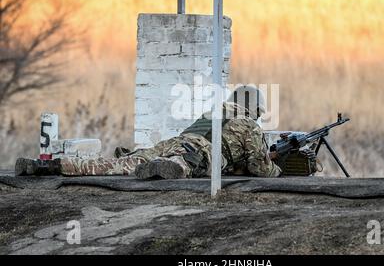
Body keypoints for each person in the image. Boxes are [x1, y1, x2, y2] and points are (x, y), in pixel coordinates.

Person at [15, 86, 281, 179]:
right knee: (180, 166)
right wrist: (279, 165)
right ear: (254, 108)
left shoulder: (215, 111)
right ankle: (164, 167)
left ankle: (50, 166)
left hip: (176, 141)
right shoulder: (249, 126)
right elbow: (260, 169)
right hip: (195, 152)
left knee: (114, 165)